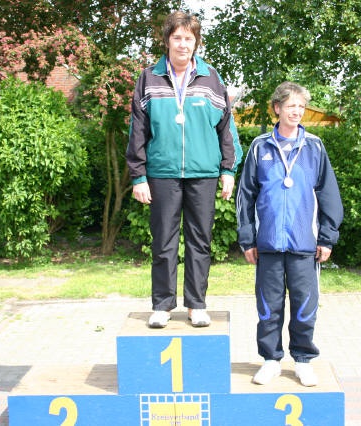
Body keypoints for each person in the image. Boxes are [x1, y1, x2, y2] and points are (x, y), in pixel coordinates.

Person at [126, 11, 242, 329]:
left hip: (203, 173)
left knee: (199, 241)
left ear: (196, 43)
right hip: (162, 173)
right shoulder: (148, 78)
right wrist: (138, 175)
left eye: (188, 38)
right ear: (167, 41)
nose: (182, 44)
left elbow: (226, 128)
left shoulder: (211, 78)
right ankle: (162, 305)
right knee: (163, 242)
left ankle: (196, 305)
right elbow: (137, 131)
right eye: (177, 37)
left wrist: (228, 170)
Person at [236, 82, 343, 387]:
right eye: (291, 105)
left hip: (304, 243)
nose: (297, 111)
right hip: (268, 243)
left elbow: (328, 194)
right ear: (277, 108)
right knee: (268, 306)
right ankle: (271, 360)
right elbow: (246, 196)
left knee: (305, 305)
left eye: (301, 106)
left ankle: (304, 360)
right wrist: (247, 238)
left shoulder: (314, 147)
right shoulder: (260, 147)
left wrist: (327, 237)